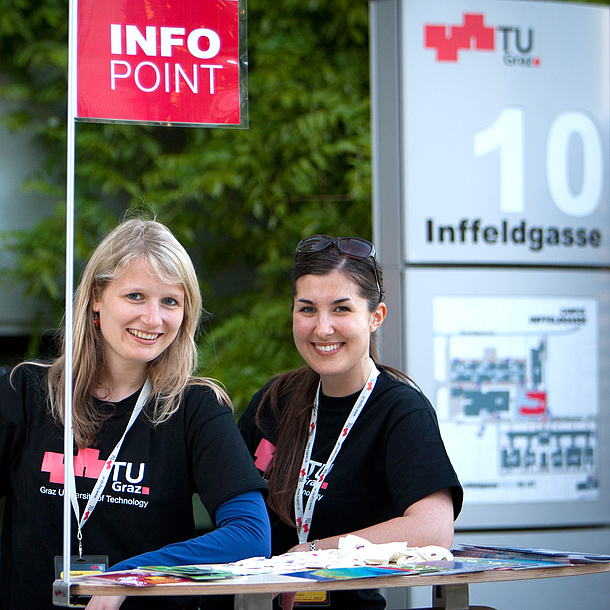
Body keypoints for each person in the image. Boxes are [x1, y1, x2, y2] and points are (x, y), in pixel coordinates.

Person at [0, 218, 271, 610]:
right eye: (135, 297)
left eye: (170, 302)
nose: (153, 319)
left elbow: (250, 534)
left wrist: (132, 577)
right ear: (97, 296)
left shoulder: (194, 407)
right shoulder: (26, 391)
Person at [238, 235, 463, 609]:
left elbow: (433, 529)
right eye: (307, 309)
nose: (322, 328)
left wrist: (312, 553)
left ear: (376, 317)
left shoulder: (400, 411)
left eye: (341, 309)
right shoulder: (275, 401)